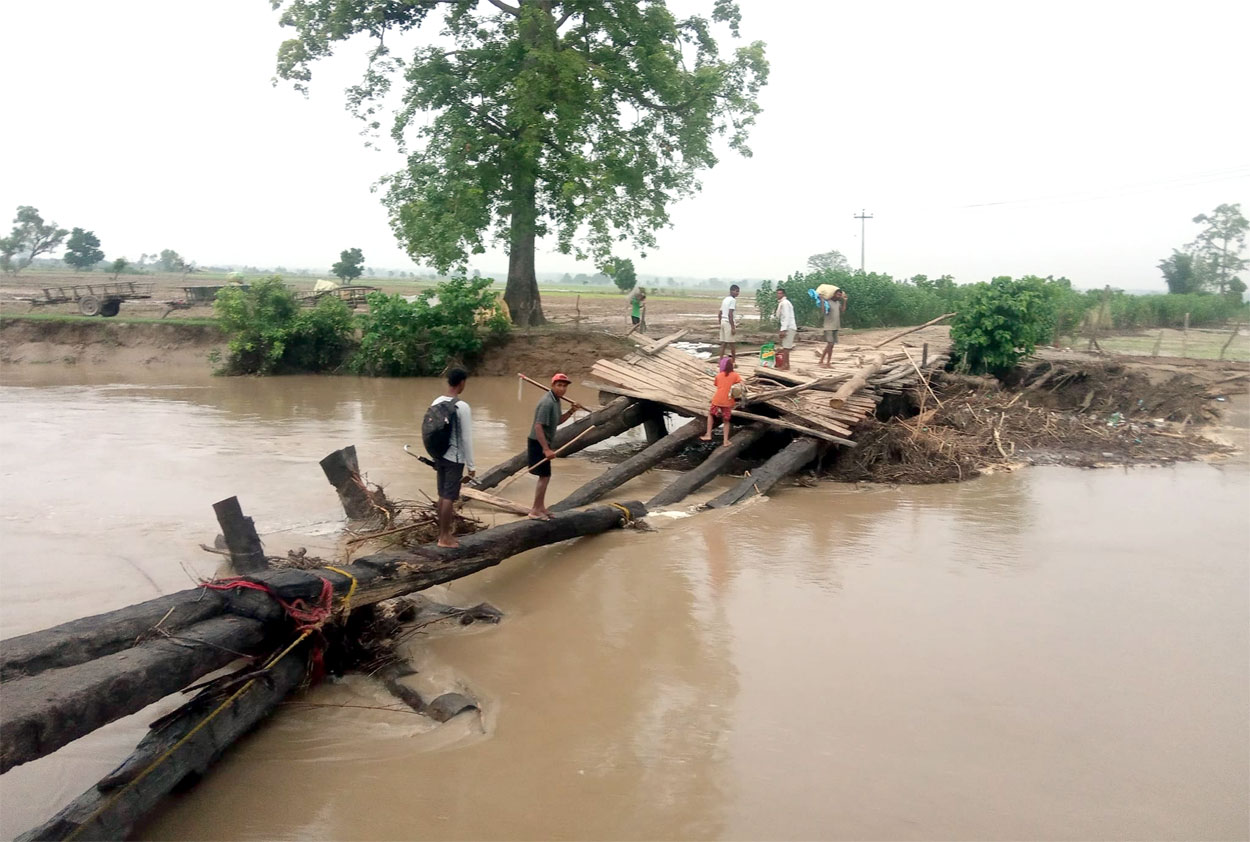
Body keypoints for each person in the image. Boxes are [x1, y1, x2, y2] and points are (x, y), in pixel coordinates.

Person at [429, 368, 474, 548]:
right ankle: (444, 537)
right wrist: (471, 465)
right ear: (462, 383)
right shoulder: (461, 406)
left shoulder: (436, 402)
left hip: (439, 455)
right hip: (454, 457)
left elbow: (431, 430)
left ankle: (442, 534)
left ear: (448, 382)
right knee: (449, 497)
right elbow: (466, 438)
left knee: (442, 495)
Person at [527, 372, 578, 520]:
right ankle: (535, 510)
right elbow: (538, 426)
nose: (562, 389)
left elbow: (557, 421)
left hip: (544, 442)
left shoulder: (556, 400)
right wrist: (546, 449)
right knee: (544, 476)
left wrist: (571, 411)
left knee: (546, 476)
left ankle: (541, 507)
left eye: (564, 386)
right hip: (537, 442)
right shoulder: (547, 402)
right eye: (559, 385)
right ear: (552, 385)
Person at [700, 356, 743, 447]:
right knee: (726, 421)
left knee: (711, 414)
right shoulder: (735, 375)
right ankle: (725, 441)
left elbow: (716, 384)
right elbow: (741, 383)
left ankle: (708, 434)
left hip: (717, 400)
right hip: (728, 401)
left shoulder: (719, 375)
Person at [818, 288, 848, 368]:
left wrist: (845, 301)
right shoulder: (828, 302)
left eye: (840, 295)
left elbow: (843, 310)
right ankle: (824, 362)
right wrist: (822, 301)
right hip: (828, 326)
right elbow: (823, 311)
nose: (839, 296)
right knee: (830, 344)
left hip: (836, 326)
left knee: (831, 345)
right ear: (834, 294)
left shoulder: (838, 303)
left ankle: (825, 361)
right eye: (837, 294)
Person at [775, 287, 797, 371]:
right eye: (778, 293)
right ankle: (786, 365)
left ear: (784, 294)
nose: (778, 295)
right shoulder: (783, 303)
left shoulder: (785, 303)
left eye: (780, 293)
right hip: (788, 327)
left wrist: (783, 329)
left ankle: (785, 365)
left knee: (786, 348)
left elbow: (786, 317)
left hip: (788, 327)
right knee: (785, 347)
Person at [718, 284, 740, 359]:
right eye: (736, 291)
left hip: (723, 321)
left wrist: (720, 323)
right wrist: (733, 327)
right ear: (731, 291)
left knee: (723, 344)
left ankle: (720, 361)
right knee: (732, 344)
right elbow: (730, 314)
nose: (737, 293)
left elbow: (720, 313)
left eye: (738, 291)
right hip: (728, 323)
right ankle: (733, 361)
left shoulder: (725, 299)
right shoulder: (733, 300)